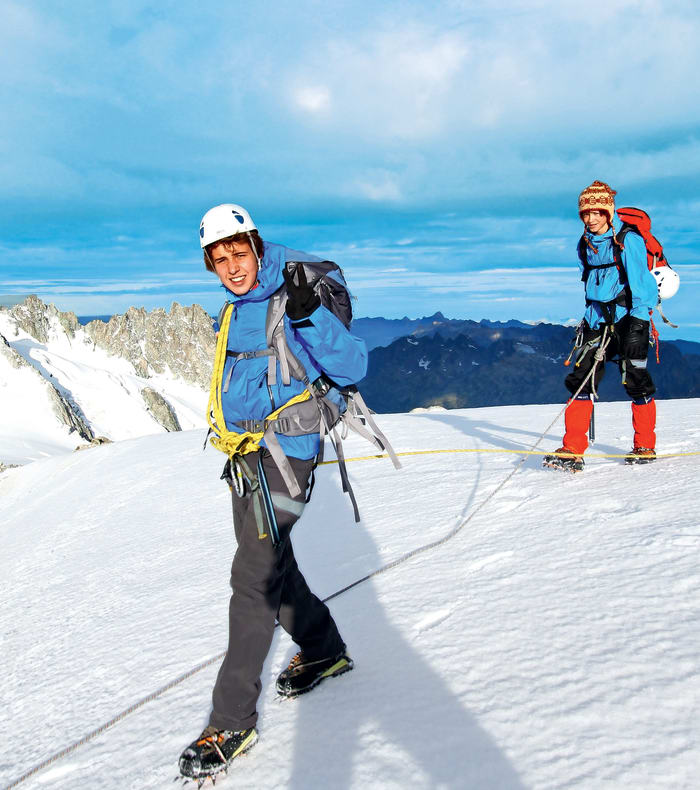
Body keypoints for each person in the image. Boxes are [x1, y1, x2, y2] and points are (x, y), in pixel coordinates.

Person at [178, 204, 368, 781]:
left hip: (289, 459)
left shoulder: (291, 298)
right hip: (248, 457)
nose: (231, 266)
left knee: (253, 575)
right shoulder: (237, 307)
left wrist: (310, 315)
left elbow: (354, 363)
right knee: (273, 565)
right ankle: (324, 647)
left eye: (238, 253)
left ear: (256, 247)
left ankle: (231, 719)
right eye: (219, 259)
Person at [543, 180, 659, 472]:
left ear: (608, 212)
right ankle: (572, 448)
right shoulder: (585, 244)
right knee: (581, 378)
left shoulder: (627, 240)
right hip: (596, 321)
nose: (591, 218)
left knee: (635, 379)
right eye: (586, 213)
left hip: (628, 320)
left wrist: (639, 323)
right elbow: (590, 283)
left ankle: (644, 445)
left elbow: (642, 284)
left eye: (597, 212)